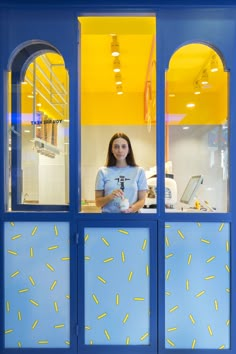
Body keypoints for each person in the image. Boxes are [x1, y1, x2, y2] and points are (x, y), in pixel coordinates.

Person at [95, 132, 148, 213]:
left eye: (123, 146)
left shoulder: (139, 171)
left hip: (132, 219)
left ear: (129, 149)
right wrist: (110, 196)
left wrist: (131, 209)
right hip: (109, 220)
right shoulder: (102, 172)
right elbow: (98, 203)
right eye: (116, 147)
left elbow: (142, 200)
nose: (120, 150)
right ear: (111, 150)